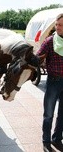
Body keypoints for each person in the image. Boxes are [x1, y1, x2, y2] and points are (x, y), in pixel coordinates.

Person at [37, 13, 63, 152]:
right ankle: (46, 142)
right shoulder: (50, 41)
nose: (58, 27)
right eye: (57, 24)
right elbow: (38, 57)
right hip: (53, 81)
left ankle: (57, 139)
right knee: (48, 114)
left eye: (61, 25)